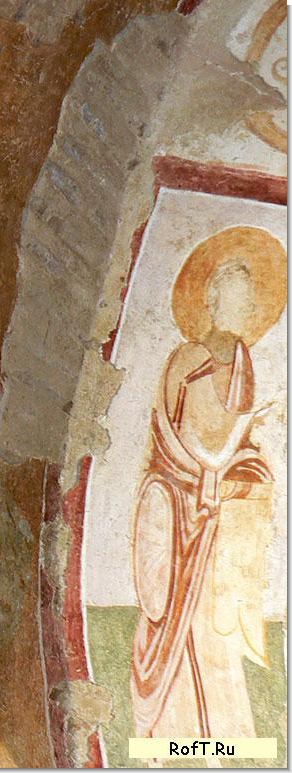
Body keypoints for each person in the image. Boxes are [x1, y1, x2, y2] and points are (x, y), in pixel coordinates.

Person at [131, 228, 284, 740]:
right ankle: (174, 735)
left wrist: (251, 472)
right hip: (179, 509)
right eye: (236, 299)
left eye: (250, 302)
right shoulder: (189, 360)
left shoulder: (241, 364)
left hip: (213, 513)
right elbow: (198, 446)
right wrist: (243, 434)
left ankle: (223, 736)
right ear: (214, 302)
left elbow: (237, 453)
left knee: (217, 630)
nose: (245, 310)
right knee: (185, 620)